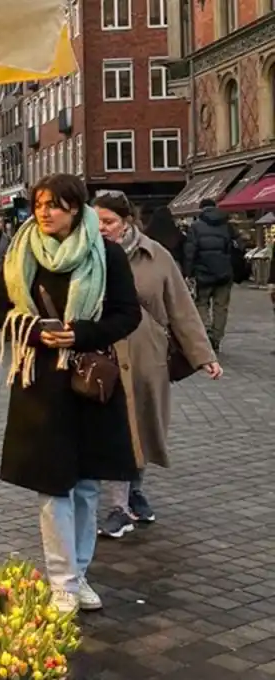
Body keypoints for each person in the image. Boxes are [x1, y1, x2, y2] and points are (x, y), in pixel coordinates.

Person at [0, 173, 141, 614]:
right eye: (39, 203)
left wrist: (80, 333)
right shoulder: (21, 253)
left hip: (87, 381)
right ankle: (62, 581)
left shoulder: (106, 254)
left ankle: (80, 574)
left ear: (75, 208)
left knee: (87, 485)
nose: (44, 212)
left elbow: (126, 314)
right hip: (39, 383)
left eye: (54, 204)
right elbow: (0, 309)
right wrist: (35, 331)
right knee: (53, 486)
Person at [90, 193, 220, 538]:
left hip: (148, 357)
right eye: (96, 221)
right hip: (103, 358)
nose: (101, 229)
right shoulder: (85, 255)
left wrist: (204, 356)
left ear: (126, 221)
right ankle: (119, 507)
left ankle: (133, 491)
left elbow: (181, 308)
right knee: (118, 429)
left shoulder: (156, 255)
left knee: (144, 425)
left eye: (109, 222)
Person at [183, 199, 236, 351]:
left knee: (202, 304)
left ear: (201, 210)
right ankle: (217, 337)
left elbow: (190, 252)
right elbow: (237, 246)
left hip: (203, 272)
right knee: (221, 307)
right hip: (224, 272)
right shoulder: (227, 225)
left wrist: (188, 272)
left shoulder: (196, 227)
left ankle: (206, 335)